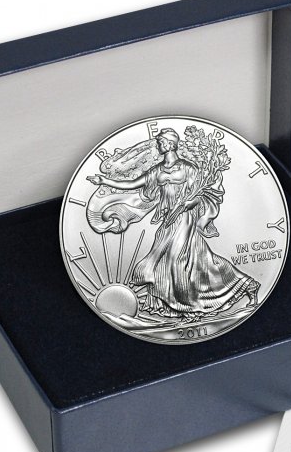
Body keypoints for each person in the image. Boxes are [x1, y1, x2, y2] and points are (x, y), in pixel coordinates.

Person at [87, 128, 259, 319]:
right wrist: (104, 180)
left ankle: (189, 306)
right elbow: (132, 184)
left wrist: (189, 203)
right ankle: (245, 286)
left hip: (185, 217)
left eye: (161, 142)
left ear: (170, 144)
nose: (158, 145)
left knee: (177, 258)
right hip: (168, 218)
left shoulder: (188, 168)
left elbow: (202, 193)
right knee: (191, 260)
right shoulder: (157, 170)